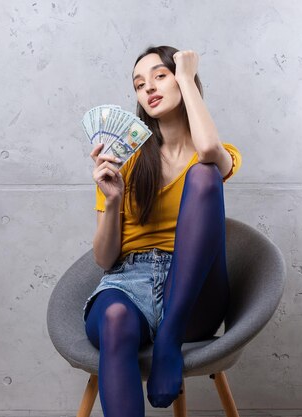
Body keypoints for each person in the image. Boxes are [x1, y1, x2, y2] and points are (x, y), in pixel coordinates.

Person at [82, 45, 242, 417]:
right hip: (128, 284)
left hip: (193, 290)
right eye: (139, 84)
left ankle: (169, 336)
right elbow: (104, 260)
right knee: (115, 318)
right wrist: (112, 200)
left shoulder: (220, 152)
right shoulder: (123, 160)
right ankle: (160, 333)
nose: (148, 88)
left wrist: (187, 76)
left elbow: (206, 150)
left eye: (160, 75)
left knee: (204, 175)